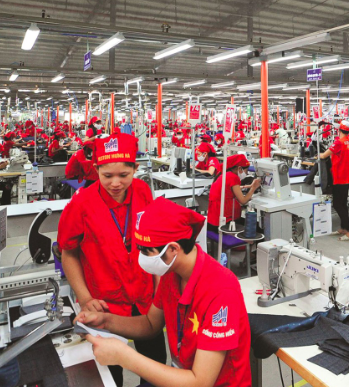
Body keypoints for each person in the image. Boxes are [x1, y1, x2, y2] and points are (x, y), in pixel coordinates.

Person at [74, 197, 251, 387]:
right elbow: (150, 324)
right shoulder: (172, 273)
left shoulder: (221, 291)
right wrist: (106, 321)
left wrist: (125, 357)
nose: (141, 257)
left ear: (173, 248)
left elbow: (200, 382)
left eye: (146, 251)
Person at [57, 133, 166, 386]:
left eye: (124, 175)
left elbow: (153, 243)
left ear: (135, 169)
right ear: (96, 169)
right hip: (104, 306)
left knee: (155, 367)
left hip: (144, 300)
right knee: (109, 375)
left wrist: (160, 291)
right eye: (107, 176)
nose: (115, 183)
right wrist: (85, 299)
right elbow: (69, 253)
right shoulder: (81, 204)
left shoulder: (143, 191)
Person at [207, 154, 260, 233]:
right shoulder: (233, 177)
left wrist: (248, 186)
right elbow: (243, 201)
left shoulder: (224, 175)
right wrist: (253, 188)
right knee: (257, 227)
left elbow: (229, 189)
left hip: (213, 222)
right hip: (224, 224)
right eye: (246, 171)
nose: (246, 173)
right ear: (239, 168)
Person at [320, 120, 349, 241]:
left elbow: (324, 155)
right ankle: (344, 228)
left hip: (339, 177)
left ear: (339, 130)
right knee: (342, 203)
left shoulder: (339, 142)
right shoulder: (348, 141)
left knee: (337, 204)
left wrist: (318, 154)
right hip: (347, 176)